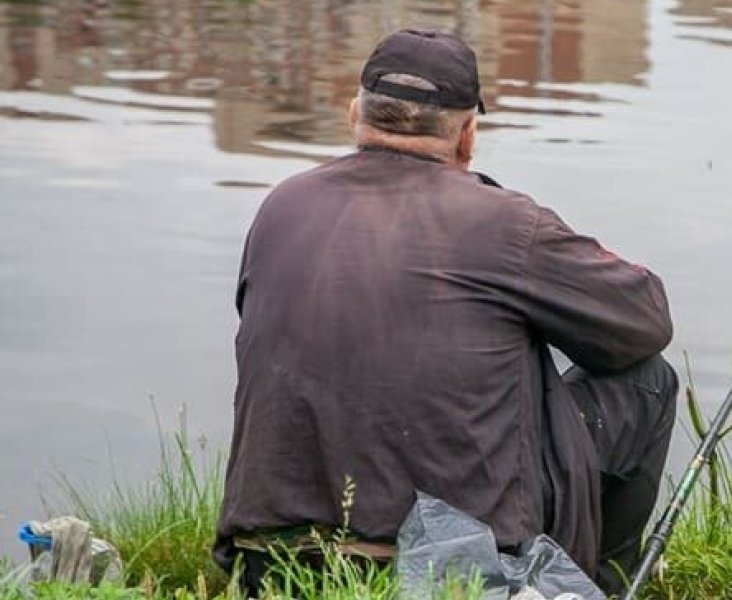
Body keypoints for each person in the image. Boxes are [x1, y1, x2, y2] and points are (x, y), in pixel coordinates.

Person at [212, 29, 678, 596]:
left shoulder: (280, 206)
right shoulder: (504, 222)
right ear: (467, 135)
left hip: (268, 561)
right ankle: (586, 587)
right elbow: (645, 322)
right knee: (647, 381)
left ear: (355, 112)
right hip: (448, 565)